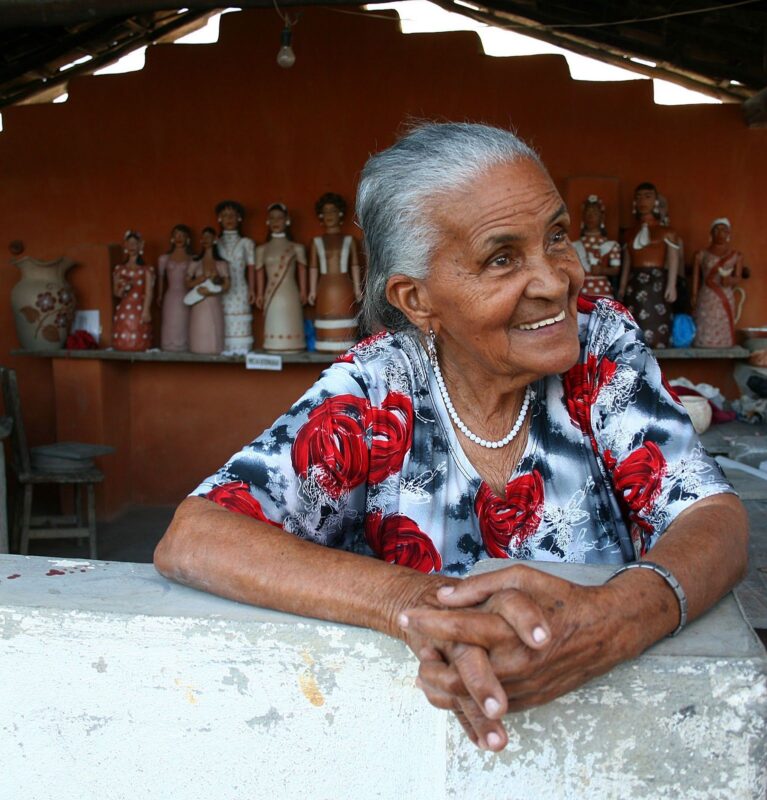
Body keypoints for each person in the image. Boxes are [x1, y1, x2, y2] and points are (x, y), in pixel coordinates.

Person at [155, 123, 747, 753]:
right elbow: (195, 538)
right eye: (502, 258)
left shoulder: (599, 346)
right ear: (418, 301)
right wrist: (418, 603)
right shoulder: (377, 387)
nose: (557, 282)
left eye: (555, 237)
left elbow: (716, 519)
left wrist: (618, 619)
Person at [618, 183, 681, 348]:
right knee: (634, 328)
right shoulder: (629, 233)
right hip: (635, 283)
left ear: (656, 201)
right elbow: (627, 262)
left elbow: (674, 259)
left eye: (647, 196)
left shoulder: (667, 232)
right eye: (638, 197)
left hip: (657, 283)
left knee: (657, 323)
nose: (642, 201)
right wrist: (622, 287)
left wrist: (672, 285)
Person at [308, 192, 362, 353]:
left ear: (340, 214)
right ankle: (326, 344)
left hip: (345, 287)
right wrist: (311, 290)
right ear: (320, 216)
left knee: (345, 319)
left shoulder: (349, 241)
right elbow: (313, 268)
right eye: (325, 212)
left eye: (332, 211)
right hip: (324, 288)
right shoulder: (316, 242)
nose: (329, 215)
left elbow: (354, 266)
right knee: (326, 320)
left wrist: (358, 288)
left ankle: (345, 345)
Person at [256, 203, 308, 352]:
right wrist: (259, 294)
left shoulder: (297, 248)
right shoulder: (262, 249)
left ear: (287, 220)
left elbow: (302, 271)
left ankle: (294, 344)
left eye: (279, 218)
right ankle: (273, 344)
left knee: (290, 320)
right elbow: (259, 273)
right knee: (274, 322)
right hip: (271, 294)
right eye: (272, 218)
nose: (275, 221)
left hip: (290, 293)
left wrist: (304, 291)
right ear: (267, 221)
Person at [692, 218, 745, 348]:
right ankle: (703, 343)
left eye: (724, 230)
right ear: (711, 233)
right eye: (717, 229)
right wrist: (693, 295)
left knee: (723, 321)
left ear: (729, 234)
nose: (720, 233)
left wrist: (730, 280)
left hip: (725, 295)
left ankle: (724, 343)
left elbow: (738, 277)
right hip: (707, 295)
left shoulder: (736, 255)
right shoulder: (701, 255)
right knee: (706, 321)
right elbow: (696, 278)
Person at [215, 200, 256, 353]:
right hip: (221, 290)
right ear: (219, 218)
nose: (229, 219)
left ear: (239, 218)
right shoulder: (215, 242)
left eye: (232, 215)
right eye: (225, 215)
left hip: (240, 288)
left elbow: (251, 268)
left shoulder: (247, 243)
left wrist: (253, 290)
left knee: (240, 322)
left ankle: (241, 350)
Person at [186, 226, 230, 355]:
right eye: (203, 237)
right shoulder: (195, 262)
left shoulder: (221, 263)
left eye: (208, 237)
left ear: (215, 239)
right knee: (199, 326)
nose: (205, 239)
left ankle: (214, 347)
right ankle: (197, 347)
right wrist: (202, 278)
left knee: (213, 327)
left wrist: (212, 291)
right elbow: (188, 283)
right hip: (198, 301)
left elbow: (227, 285)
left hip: (213, 300)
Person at [112, 230, 154, 352]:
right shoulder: (119, 269)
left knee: (138, 339)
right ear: (125, 245)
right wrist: (124, 288)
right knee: (123, 337)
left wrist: (146, 310)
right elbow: (116, 293)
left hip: (138, 308)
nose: (132, 247)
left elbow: (149, 292)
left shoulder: (146, 269)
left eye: (135, 243)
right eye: (129, 243)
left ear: (140, 246)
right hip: (124, 308)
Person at [572, 194, 620, 298]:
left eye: (594, 213)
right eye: (588, 213)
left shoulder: (611, 245)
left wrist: (602, 270)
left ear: (602, 217)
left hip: (603, 290)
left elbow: (616, 270)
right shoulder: (574, 245)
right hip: (581, 291)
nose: (591, 216)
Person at [157, 224, 194, 352]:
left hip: (187, 295)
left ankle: (185, 345)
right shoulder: (164, 259)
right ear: (172, 238)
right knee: (170, 321)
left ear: (188, 239)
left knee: (183, 322)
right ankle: (168, 346)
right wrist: (159, 295)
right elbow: (161, 279)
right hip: (170, 295)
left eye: (182, 235)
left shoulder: (193, 259)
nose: (179, 238)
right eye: (176, 235)